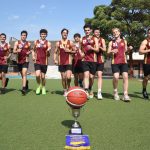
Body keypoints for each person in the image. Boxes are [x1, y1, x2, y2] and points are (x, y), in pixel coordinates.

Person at [107, 28, 131, 101]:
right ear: (113, 34)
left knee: (125, 77)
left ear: (119, 32)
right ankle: (115, 92)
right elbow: (107, 52)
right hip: (115, 62)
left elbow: (126, 51)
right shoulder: (111, 42)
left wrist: (129, 49)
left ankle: (125, 94)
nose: (115, 33)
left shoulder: (124, 41)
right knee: (116, 77)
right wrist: (112, 51)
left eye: (116, 32)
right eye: (114, 32)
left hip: (124, 62)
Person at [54, 28, 74, 96]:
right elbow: (55, 52)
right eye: (64, 33)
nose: (65, 34)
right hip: (61, 62)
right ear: (61, 34)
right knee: (63, 77)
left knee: (68, 77)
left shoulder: (70, 42)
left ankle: (69, 87)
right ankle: (65, 90)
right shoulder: (58, 43)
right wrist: (55, 59)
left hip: (68, 62)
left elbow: (75, 51)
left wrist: (69, 51)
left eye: (66, 33)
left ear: (67, 34)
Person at [81, 24, 99, 98]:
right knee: (86, 75)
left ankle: (90, 88)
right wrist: (81, 53)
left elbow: (97, 50)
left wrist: (91, 47)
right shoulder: (82, 39)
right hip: (85, 60)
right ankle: (86, 91)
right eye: (85, 30)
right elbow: (81, 49)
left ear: (91, 30)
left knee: (91, 77)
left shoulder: (95, 39)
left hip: (93, 60)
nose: (87, 31)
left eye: (88, 30)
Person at [32, 29, 51, 95]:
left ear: (46, 35)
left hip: (44, 62)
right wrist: (33, 56)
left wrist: (48, 51)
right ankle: (38, 86)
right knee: (37, 75)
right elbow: (33, 50)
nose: (43, 35)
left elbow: (48, 55)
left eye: (44, 34)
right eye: (42, 34)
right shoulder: (36, 42)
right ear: (40, 34)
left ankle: (43, 87)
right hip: (37, 61)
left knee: (43, 77)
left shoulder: (48, 43)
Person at [13, 30, 31, 95]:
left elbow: (30, 50)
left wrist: (29, 52)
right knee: (22, 75)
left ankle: (23, 88)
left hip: (26, 60)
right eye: (22, 35)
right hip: (19, 61)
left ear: (26, 36)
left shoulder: (28, 43)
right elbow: (14, 51)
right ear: (21, 36)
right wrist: (17, 50)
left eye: (25, 35)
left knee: (24, 73)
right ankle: (26, 82)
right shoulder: (16, 43)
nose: (23, 36)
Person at [93, 28, 106, 99]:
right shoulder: (91, 39)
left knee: (99, 75)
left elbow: (105, 49)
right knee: (91, 77)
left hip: (100, 60)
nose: (97, 33)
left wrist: (99, 46)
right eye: (96, 32)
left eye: (98, 32)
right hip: (92, 60)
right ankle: (90, 90)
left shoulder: (102, 40)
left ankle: (99, 92)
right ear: (94, 33)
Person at [139, 28, 150, 99]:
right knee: (146, 78)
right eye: (149, 33)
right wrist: (149, 50)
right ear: (148, 33)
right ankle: (144, 90)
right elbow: (140, 51)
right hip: (147, 62)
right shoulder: (145, 41)